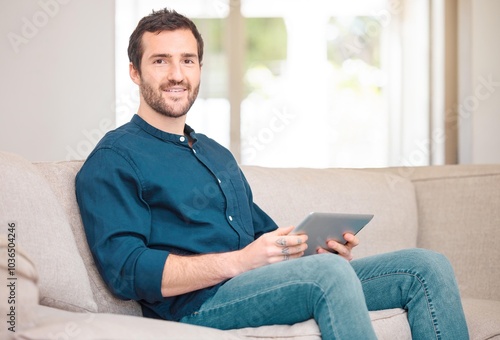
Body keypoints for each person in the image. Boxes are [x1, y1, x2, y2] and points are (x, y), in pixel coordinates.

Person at [76, 8, 469, 339]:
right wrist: (240, 262)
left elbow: (265, 237)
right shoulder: (115, 158)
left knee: (425, 266)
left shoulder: (214, 153)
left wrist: (312, 248)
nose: (177, 74)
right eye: (160, 60)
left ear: (199, 68)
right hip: (195, 307)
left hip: (259, 284)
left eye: (188, 60)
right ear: (134, 72)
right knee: (326, 276)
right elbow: (126, 270)